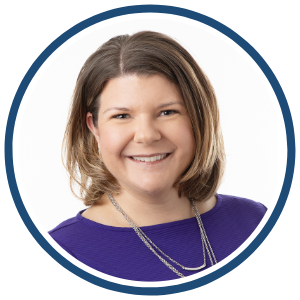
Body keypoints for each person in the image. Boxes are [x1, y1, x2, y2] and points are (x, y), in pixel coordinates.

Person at [49, 31, 266, 282]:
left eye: (167, 112)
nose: (146, 135)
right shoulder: (59, 253)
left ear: (198, 117)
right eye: (121, 116)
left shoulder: (256, 221)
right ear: (94, 126)